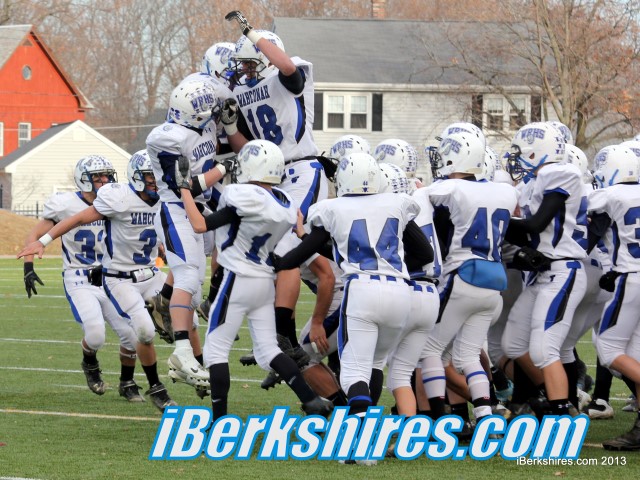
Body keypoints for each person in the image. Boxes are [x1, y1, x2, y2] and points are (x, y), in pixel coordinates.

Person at [177, 139, 333, 420]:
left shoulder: (242, 196)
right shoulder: (285, 202)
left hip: (236, 279)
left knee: (216, 351)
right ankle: (311, 401)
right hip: (264, 283)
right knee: (269, 349)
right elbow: (293, 224)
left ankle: (219, 420)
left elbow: (199, 225)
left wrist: (184, 189)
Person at [273, 153, 433, 419]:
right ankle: (367, 426)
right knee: (375, 364)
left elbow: (299, 256)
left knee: (353, 372)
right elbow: (425, 254)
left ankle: (358, 434)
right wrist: (388, 266)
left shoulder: (334, 208)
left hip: (363, 291)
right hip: (400, 292)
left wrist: (276, 260)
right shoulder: (395, 203)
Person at [19, 151, 179, 411]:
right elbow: (37, 234)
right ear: (83, 179)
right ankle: (90, 362)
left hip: (109, 274)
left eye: (107, 176)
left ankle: (127, 382)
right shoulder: (65, 204)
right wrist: (29, 265)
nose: (104, 181)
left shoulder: (118, 199)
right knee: (95, 335)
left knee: (132, 334)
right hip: (79, 276)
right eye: (97, 177)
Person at [222, 11, 329, 371]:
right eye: (242, 65)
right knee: (270, 252)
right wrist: (230, 127)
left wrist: (252, 33)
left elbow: (286, 66)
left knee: (284, 246)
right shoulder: (242, 92)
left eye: (250, 63)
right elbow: (247, 150)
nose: (245, 71)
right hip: (272, 177)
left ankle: (283, 335)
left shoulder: (285, 74)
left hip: (302, 169)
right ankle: (280, 338)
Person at [420, 124, 518, 423]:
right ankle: (486, 416)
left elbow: (425, 205)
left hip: (463, 275)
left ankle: (439, 419)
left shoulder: (448, 189)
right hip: (494, 281)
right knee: (468, 356)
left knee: (429, 351)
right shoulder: (504, 191)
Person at [146, 79, 236, 389]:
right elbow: (184, 187)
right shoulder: (166, 138)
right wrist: (225, 168)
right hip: (175, 208)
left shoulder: (204, 123)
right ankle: (182, 353)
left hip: (198, 208)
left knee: (192, 291)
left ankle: (163, 302)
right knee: (186, 277)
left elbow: (213, 150)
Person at [502, 122, 588, 417]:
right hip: (541, 274)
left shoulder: (560, 173)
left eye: (521, 152)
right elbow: (527, 233)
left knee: (544, 349)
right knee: (513, 344)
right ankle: (555, 399)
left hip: (563, 270)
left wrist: (496, 223)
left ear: (536, 152)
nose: (516, 159)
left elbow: (536, 225)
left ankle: (561, 414)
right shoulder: (531, 183)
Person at [587, 146, 640, 450]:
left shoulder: (609, 195)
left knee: (607, 348)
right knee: (634, 355)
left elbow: (587, 230)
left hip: (630, 279)